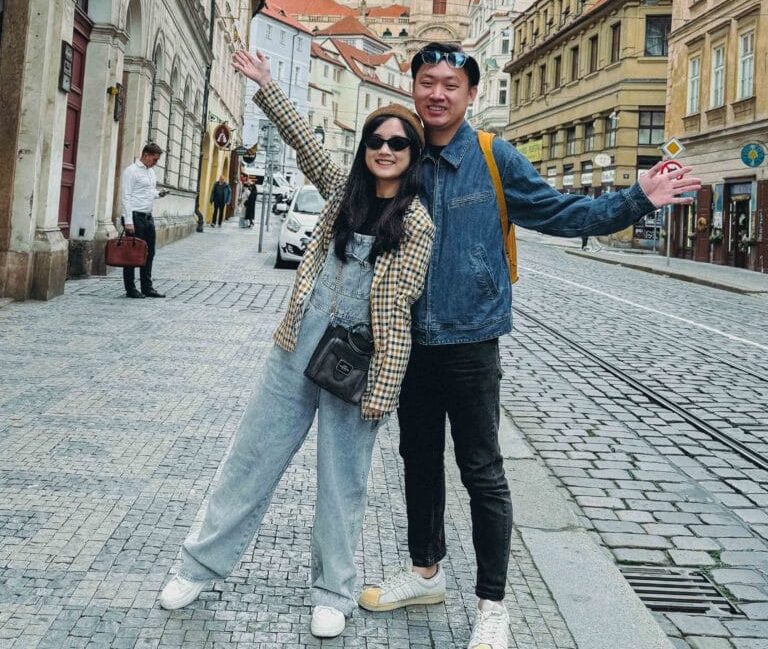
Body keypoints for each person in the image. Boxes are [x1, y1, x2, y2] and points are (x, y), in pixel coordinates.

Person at [358, 41, 701, 649]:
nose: (437, 94)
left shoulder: (493, 156)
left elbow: (560, 212)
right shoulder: (398, 154)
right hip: (407, 341)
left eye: (451, 85)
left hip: (471, 339)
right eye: (427, 82)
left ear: (470, 95)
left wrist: (635, 200)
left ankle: (493, 604)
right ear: (412, 87)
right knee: (418, 462)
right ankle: (425, 572)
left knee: (482, 472)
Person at [158, 48, 434, 640]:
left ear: (412, 158)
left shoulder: (415, 224)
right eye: (376, 140)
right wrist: (264, 84)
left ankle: (333, 591)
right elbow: (305, 143)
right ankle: (197, 565)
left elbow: (401, 314)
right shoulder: (342, 194)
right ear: (365, 149)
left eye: (398, 143)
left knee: (343, 481)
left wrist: (383, 390)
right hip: (297, 343)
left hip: (359, 362)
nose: (385, 149)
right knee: (251, 457)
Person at [120, 141, 169, 299]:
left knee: (149, 252)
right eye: (154, 159)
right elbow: (126, 196)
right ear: (145, 155)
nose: (155, 163)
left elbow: (147, 191)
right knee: (133, 254)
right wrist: (128, 221)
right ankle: (130, 288)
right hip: (134, 216)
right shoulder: (131, 171)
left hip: (148, 216)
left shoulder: (151, 172)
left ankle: (147, 287)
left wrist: (158, 193)